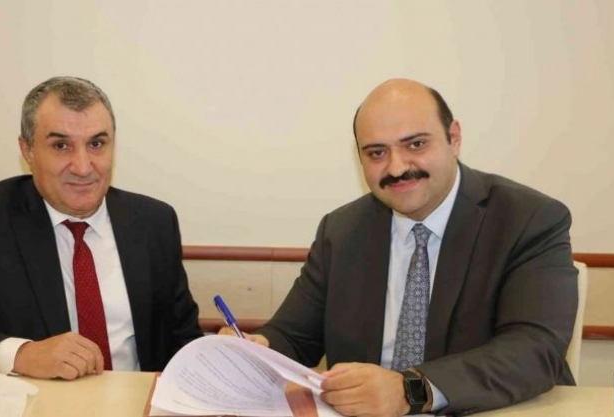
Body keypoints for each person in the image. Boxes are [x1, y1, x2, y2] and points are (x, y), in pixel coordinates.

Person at [233, 79, 578, 416]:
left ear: (454, 138)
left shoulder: (528, 220)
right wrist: (257, 349)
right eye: (377, 153)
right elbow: (294, 337)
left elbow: (536, 350)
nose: (397, 168)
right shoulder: (341, 230)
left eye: (416, 145)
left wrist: (409, 390)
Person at [0, 76, 203, 380]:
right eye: (61, 145)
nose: (83, 167)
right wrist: (19, 354)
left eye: (96, 143)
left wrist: (222, 352)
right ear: (28, 151)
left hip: (138, 403)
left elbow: (182, 338)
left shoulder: (154, 222)